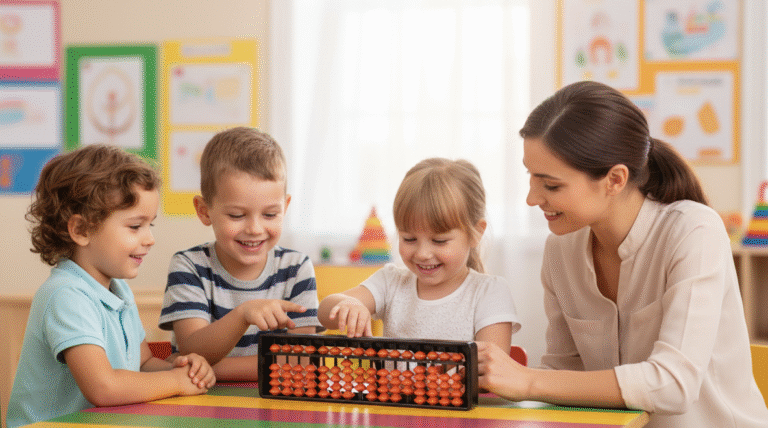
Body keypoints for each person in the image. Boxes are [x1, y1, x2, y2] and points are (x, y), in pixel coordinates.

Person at [477, 80, 768, 427]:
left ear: (615, 179)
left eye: (551, 185)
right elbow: (564, 375)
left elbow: (674, 384)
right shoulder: (561, 250)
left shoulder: (694, 231)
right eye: (531, 178)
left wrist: (527, 380)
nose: (532, 198)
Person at [7, 145, 215, 428]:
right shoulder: (66, 295)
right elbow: (103, 387)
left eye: (149, 224)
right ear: (81, 230)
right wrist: (175, 382)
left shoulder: (117, 289)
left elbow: (142, 364)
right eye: (135, 226)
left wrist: (179, 368)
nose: (150, 238)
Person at [159, 127, 320, 382]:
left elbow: (300, 359)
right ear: (204, 211)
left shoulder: (296, 267)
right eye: (236, 215)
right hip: (199, 406)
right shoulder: (189, 266)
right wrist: (243, 314)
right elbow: (193, 348)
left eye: (270, 214)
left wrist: (212, 369)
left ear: (285, 207)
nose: (254, 229)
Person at [318, 158, 520, 352]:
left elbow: (492, 370)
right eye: (409, 239)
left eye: (439, 241)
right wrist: (348, 305)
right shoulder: (391, 282)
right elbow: (324, 311)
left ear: (476, 233)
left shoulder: (490, 293)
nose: (422, 254)